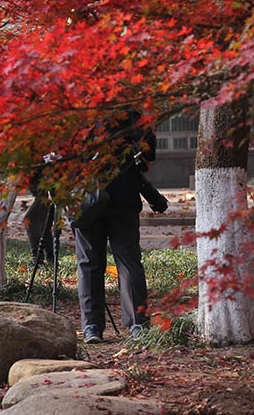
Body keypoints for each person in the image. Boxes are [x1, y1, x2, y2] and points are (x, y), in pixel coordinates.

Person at [75, 110, 168, 344]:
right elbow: (149, 151)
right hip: (124, 194)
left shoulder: (73, 115)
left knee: (89, 264)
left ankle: (92, 327)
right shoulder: (127, 113)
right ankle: (137, 324)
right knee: (128, 261)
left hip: (86, 199)